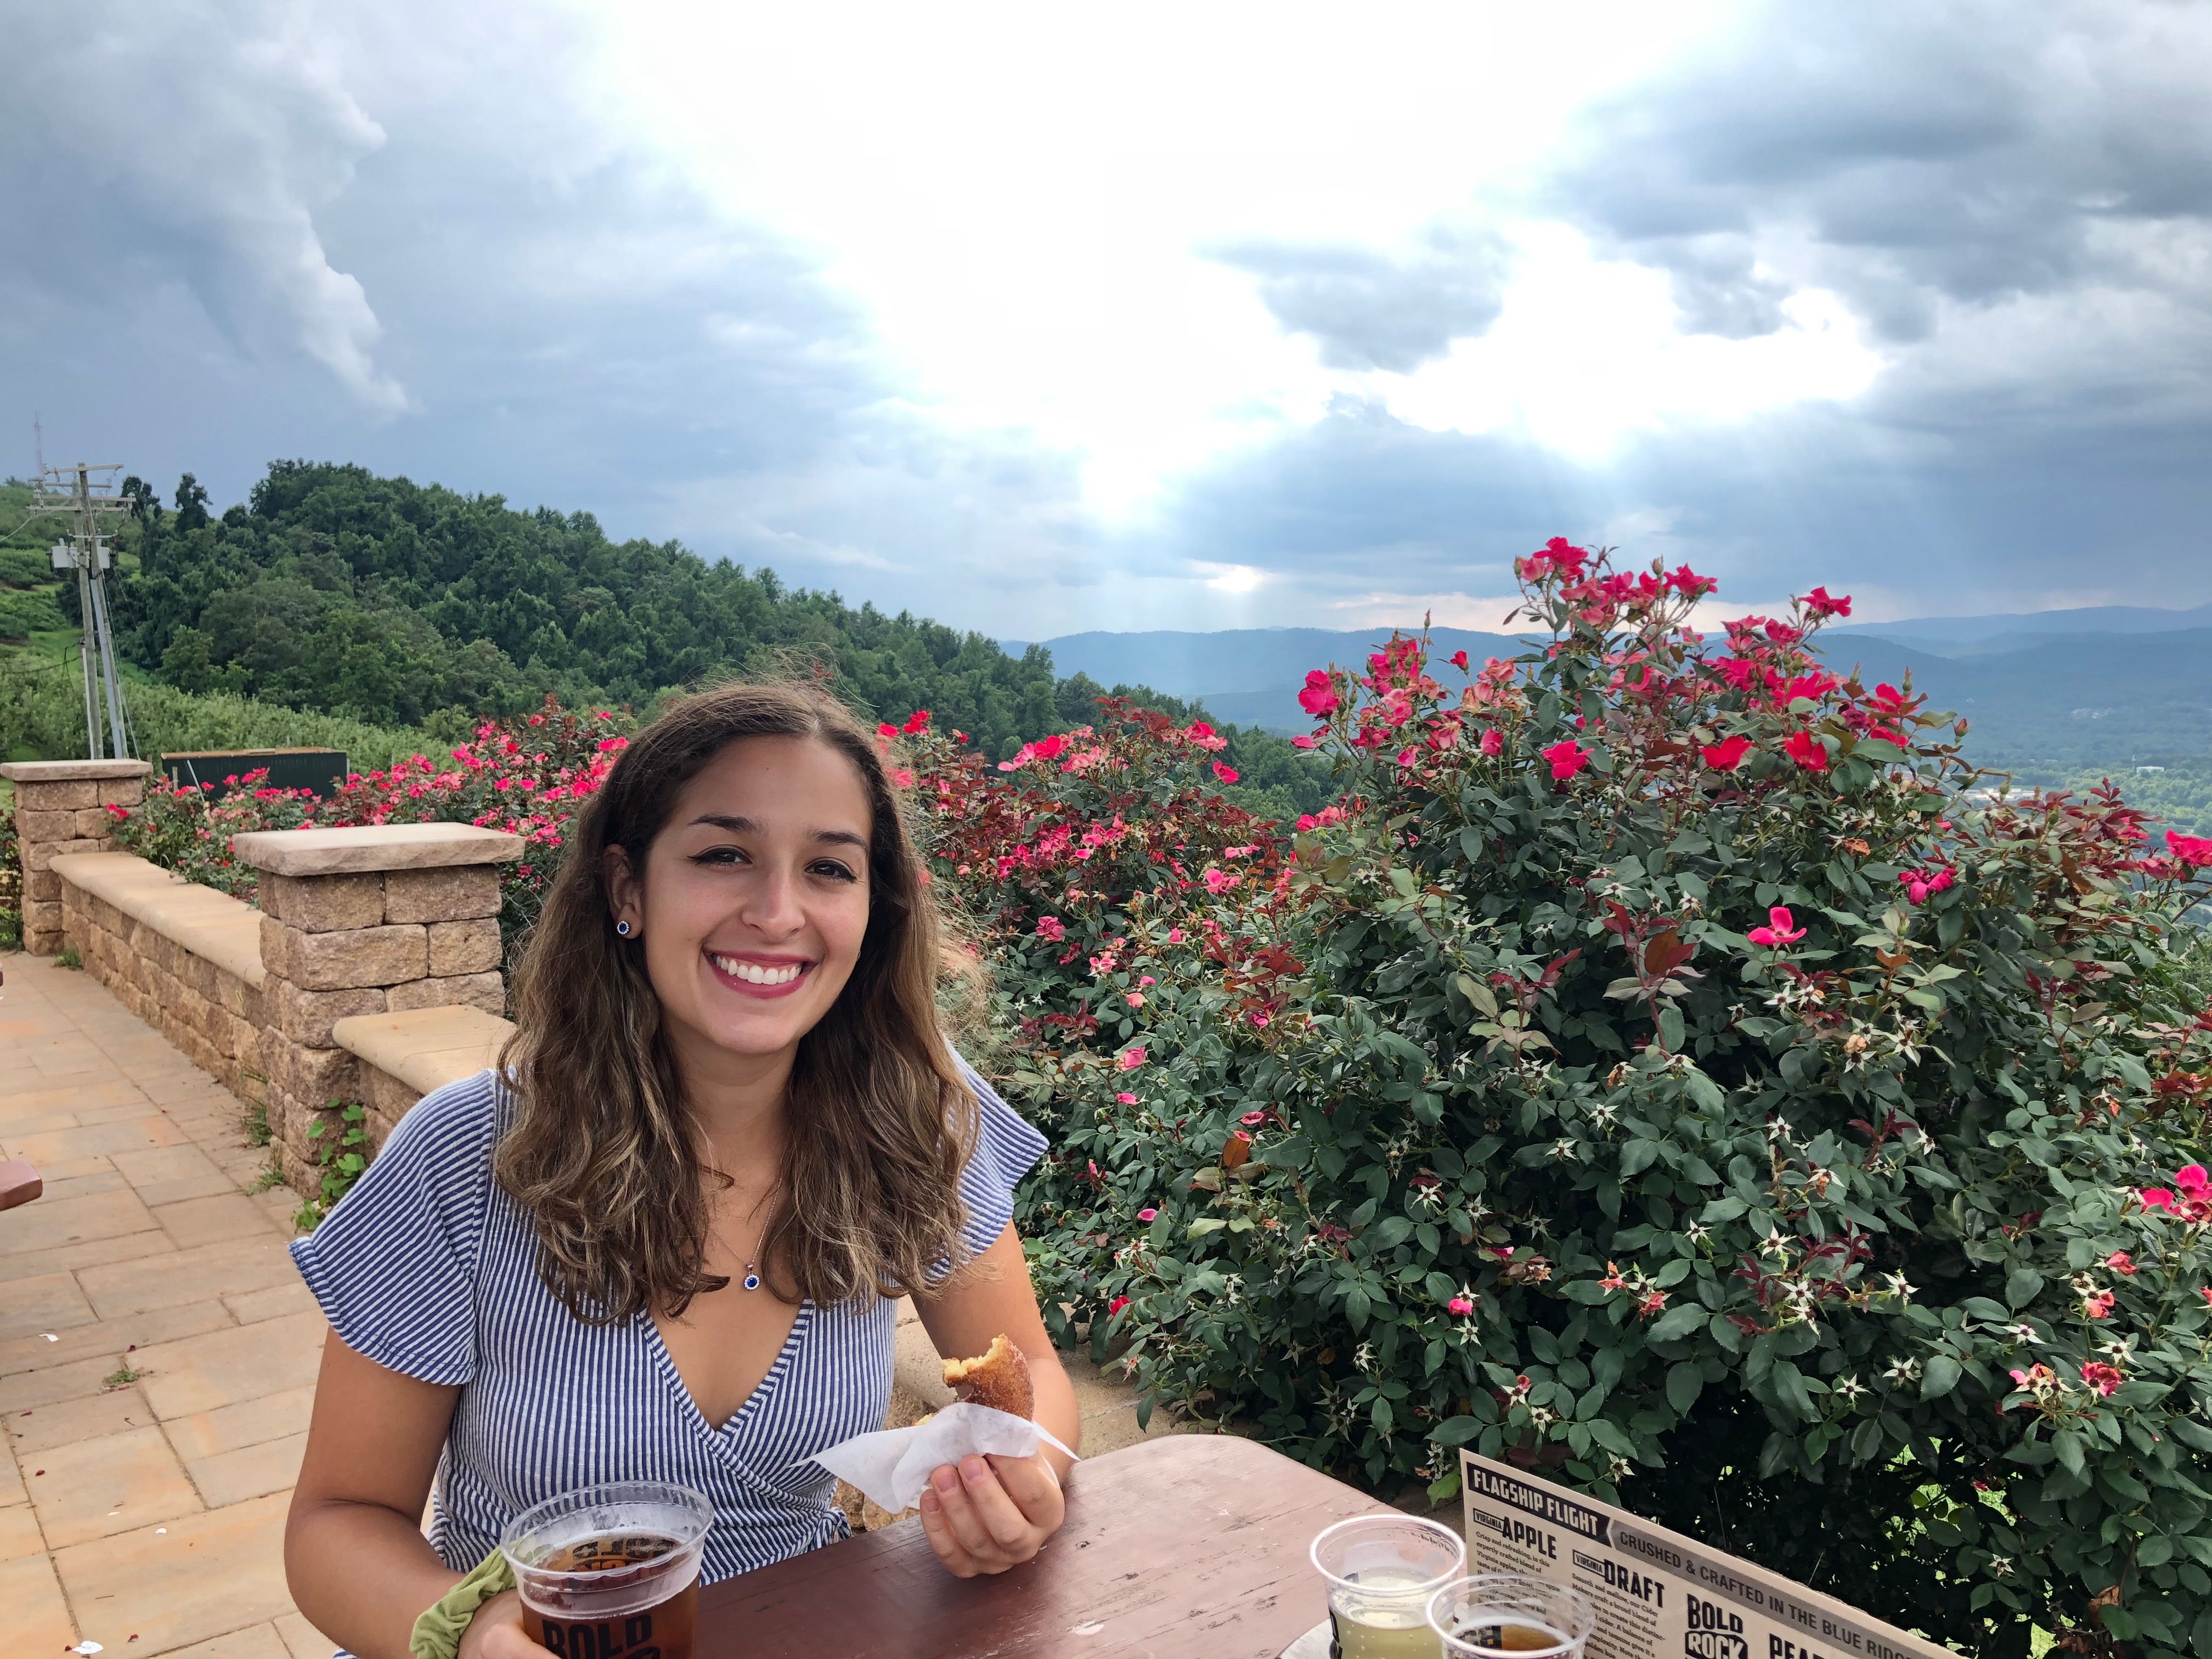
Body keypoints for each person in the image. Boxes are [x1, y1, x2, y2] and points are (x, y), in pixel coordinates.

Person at [283, 684, 1077, 1659]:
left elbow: (1028, 1371)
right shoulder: (472, 1155)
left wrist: (1025, 1470)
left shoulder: (913, 1116)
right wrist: (476, 1634)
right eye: (723, 855)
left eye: (829, 867)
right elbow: (338, 1520)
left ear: (874, 908)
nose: (778, 912)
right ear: (627, 890)